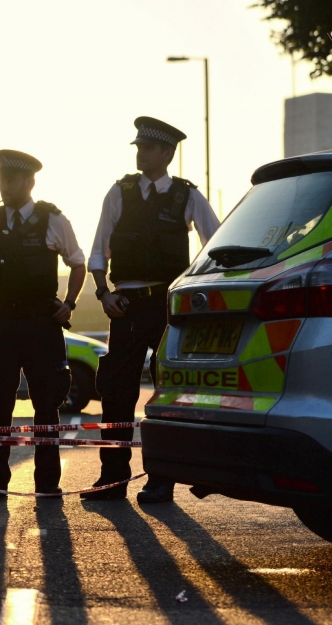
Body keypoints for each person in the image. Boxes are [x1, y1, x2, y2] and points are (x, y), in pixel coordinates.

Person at [80, 117, 220, 504]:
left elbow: (215, 244)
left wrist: (195, 293)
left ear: (167, 153)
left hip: (167, 305)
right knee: (116, 393)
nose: (140, 153)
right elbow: (98, 250)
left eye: (147, 148)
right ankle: (112, 479)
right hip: (124, 306)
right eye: (138, 147)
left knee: (167, 394)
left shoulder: (185, 195)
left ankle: (161, 479)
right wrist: (103, 293)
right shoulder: (120, 191)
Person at [0, 149, 87, 502]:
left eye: (10, 179)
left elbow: (78, 264)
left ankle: (48, 484)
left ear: (29, 182)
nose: (4, 186)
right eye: (0, 179)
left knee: (47, 404)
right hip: (1, 323)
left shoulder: (52, 219)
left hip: (40, 324)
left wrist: (69, 304)